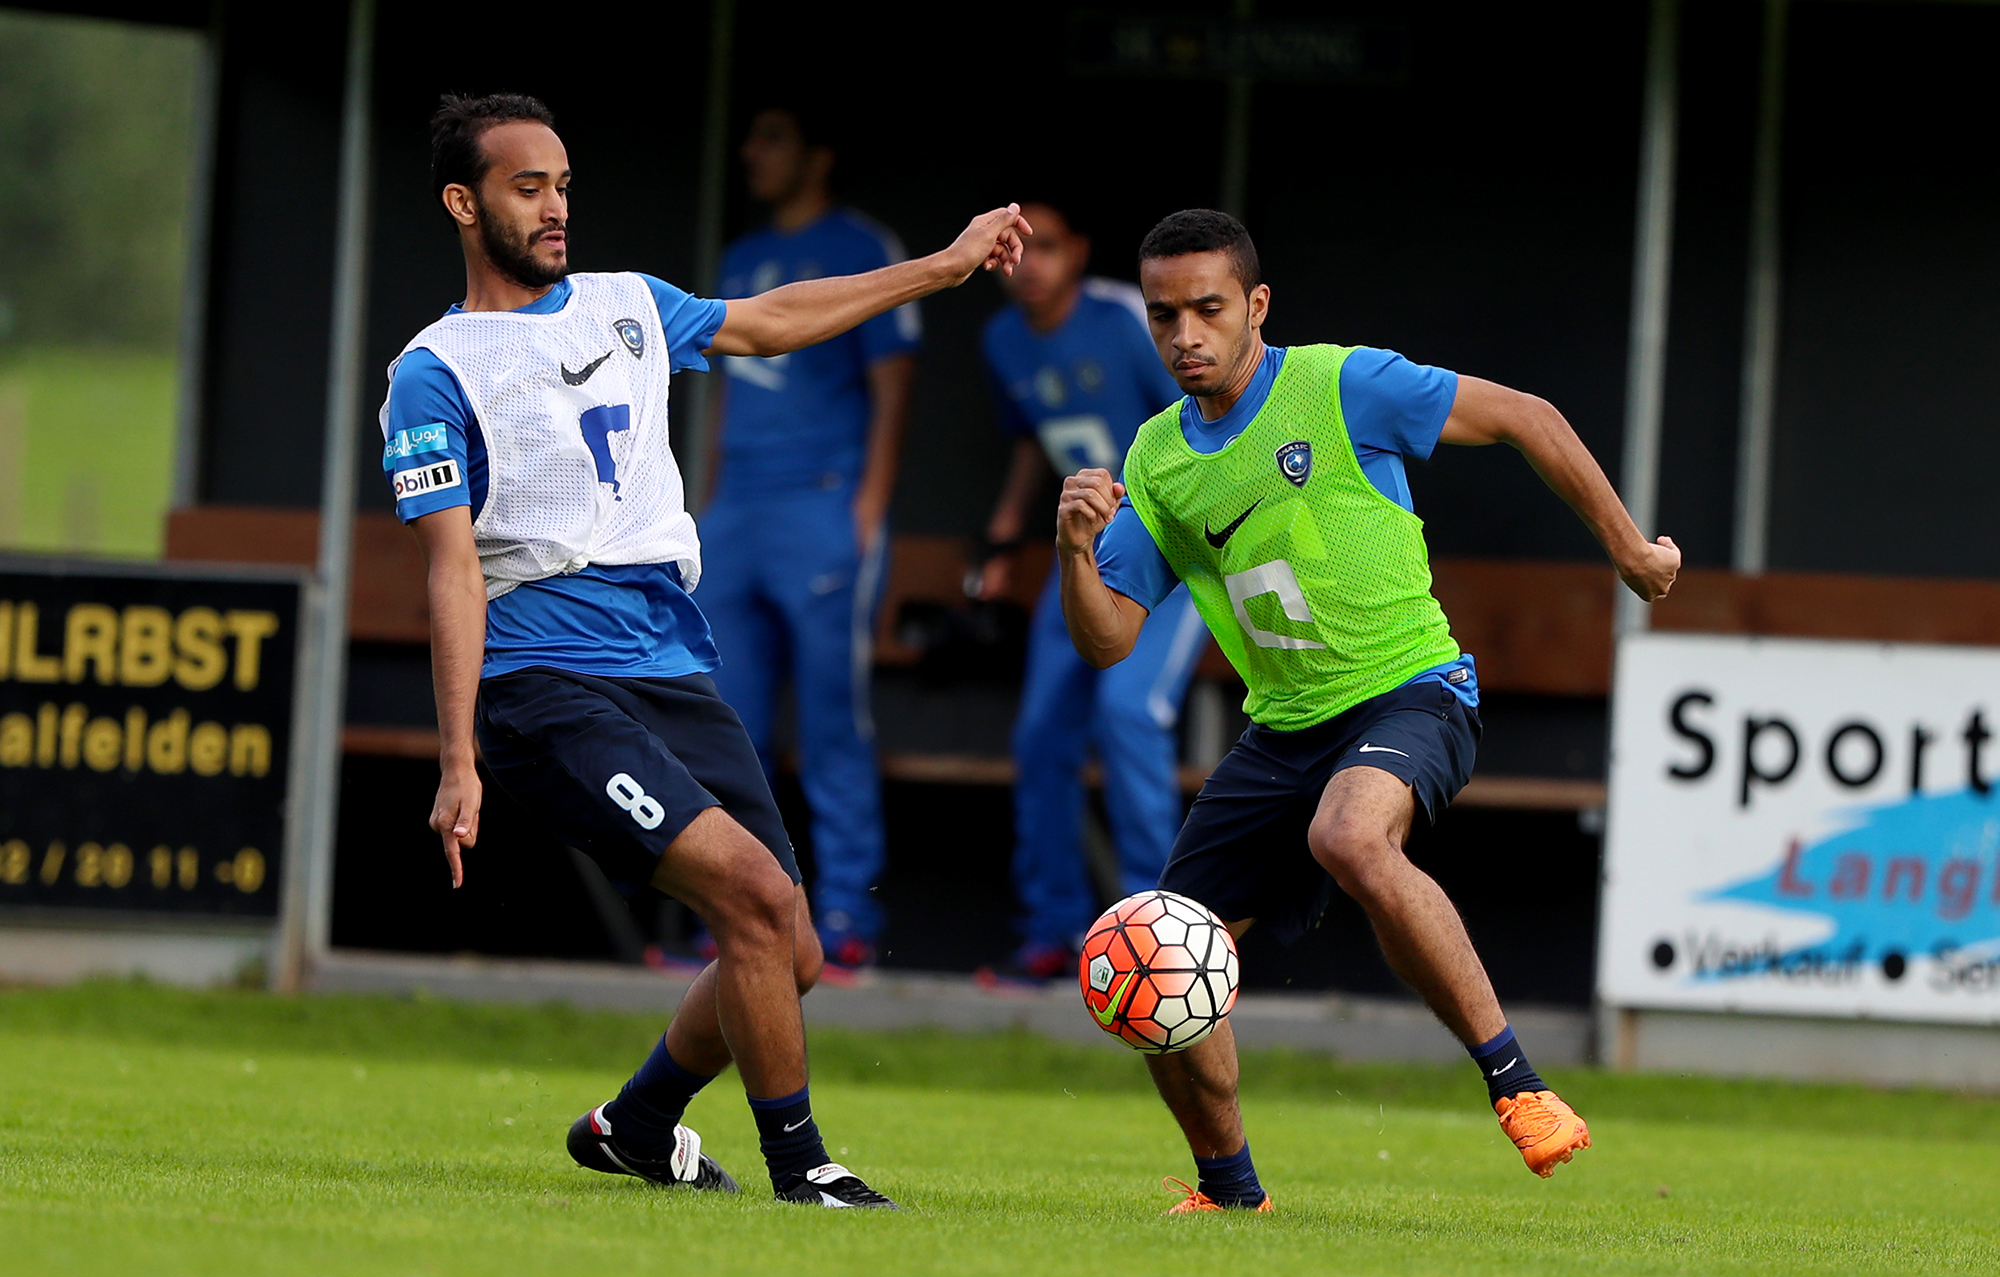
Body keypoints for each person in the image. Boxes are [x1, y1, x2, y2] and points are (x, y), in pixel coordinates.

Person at [379, 93, 1028, 1208]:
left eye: (564, 185)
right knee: (751, 903)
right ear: (461, 201)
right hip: (543, 682)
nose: (555, 207)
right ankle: (804, 1168)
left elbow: (773, 320)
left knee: (791, 945)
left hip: (669, 666)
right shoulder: (431, 370)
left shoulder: (630, 304)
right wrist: (456, 759)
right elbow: (448, 568)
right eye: (527, 186)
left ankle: (634, 1123)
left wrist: (944, 266)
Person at [1057, 209, 1680, 1211]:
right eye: (1164, 315)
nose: (1185, 335)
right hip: (1281, 732)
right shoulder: (1156, 460)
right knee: (1154, 949)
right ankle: (1227, 1191)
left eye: (1208, 309)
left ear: (1255, 306)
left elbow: (1526, 414)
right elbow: (1106, 639)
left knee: (1349, 837)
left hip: (1409, 690)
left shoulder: (1343, 385)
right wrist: (1073, 552)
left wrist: (1628, 551)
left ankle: (1516, 1084)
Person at [698, 105, 918, 969]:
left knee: (832, 723)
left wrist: (867, 509)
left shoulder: (865, 244)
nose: (753, 154)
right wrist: (708, 504)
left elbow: (894, 385)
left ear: (819, 156)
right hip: (737, 512)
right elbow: (723, 397)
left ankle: (845, 919)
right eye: (748, 137)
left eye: (773, 138)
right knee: (726, 724)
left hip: (823, 504)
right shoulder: (739, 259)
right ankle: (739, 924)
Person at [975, 201, 1203, 980]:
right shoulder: (1003, 340)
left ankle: (1163, 940)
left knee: (1128, 712)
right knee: (1040, 736)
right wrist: (1005, 537)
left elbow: (1201, 422)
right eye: (1018, 249)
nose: (1031, 262)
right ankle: (1052, 931)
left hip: (1167, 553)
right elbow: (1039, 446)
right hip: (1080, 553)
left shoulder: (1126, 321)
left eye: (1048, 246)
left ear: (1077, 253)